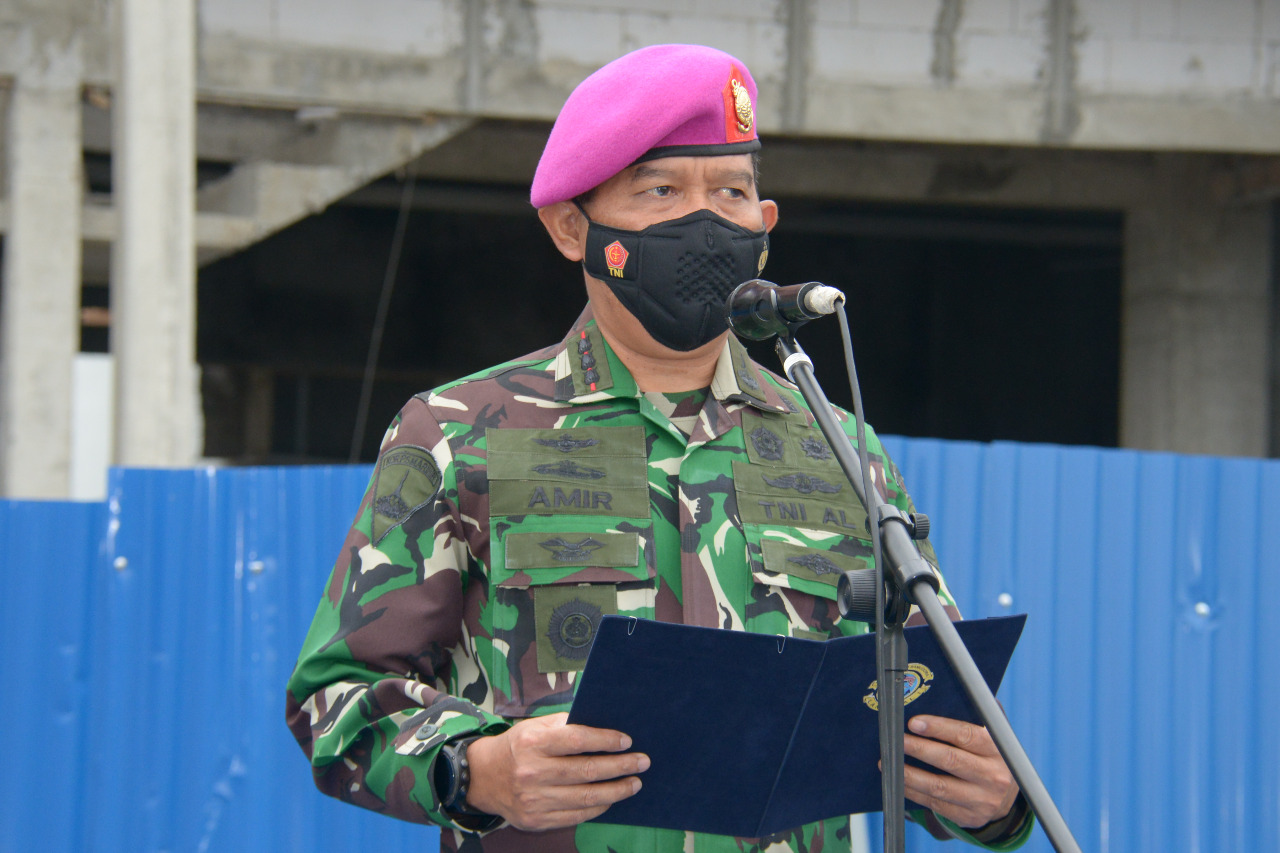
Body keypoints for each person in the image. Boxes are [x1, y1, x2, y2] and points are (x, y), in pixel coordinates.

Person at [287, 43, 1032, 852]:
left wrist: (990, 799)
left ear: (766, 226)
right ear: (574, 226)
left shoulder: (838, 445)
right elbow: (340, 695)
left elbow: (927, 695)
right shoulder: (459, 433)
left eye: (732, 192)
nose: (704, 221)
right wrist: (474, 769)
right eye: (661, 190)